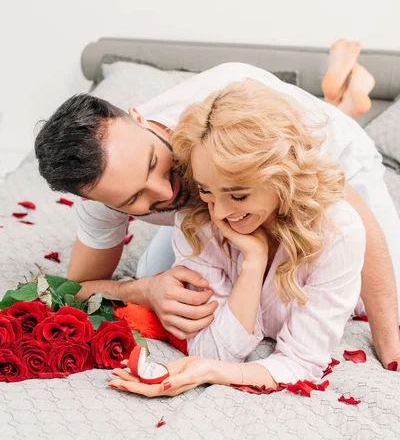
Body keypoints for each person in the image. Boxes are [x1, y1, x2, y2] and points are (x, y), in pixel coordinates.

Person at [34, 44, 400, 371]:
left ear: (139, 118)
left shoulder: (228, 100)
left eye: (152, 164)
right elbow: (77, 287)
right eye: (135, 201)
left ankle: (340, 108)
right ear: (98, 201)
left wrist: (390, 346)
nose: (165, 191)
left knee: (368, 287)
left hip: (323, 169)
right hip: (220, 205)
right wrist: (142, 289)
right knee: (158, 276)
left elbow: (357, 223)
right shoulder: (103, 197)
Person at [108, 79, 369, 396]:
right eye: (206, 190)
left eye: (239, 195)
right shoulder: (199, 221)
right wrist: (253, 264)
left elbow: (302, 364)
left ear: (281, 177)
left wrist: (211, 371)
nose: (219, 213)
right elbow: (212, 351)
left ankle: (345, 108)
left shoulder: (337, 232)